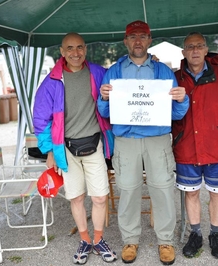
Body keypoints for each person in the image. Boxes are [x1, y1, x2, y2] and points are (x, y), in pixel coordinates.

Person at [97, 20, 189, 265]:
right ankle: (130, 240)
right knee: (127, 190)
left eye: (143, 36)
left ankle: (166, 240)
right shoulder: (114, 72)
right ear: (126, 41)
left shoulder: (163, 72)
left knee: (162, 190)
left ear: (150, 40)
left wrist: (181, 99)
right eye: (133, 37)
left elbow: (177, 114)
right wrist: (104, 98)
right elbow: (104, 112)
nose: (138, 41)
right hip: (126, 140)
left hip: (157, 139)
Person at [33, 32, 117, 265]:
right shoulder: (51, 81)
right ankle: (84, 239)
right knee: (77, 197)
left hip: (94, 144)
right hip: (66, 149)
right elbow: (41, 120)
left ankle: (98, 239)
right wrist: (49, 151)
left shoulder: (98, 73)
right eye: (70, 48)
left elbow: (121, 85)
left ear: (85, 49)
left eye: (79, 47)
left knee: (100, 197)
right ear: (62, 51)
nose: (75, 53)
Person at [171, 32, 218, 260]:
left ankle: (215, 234)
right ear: (183, 52)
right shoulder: (176, 78)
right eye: (190, 46)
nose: (195, 50)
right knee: (191, 194)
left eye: (199, 46)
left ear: (206, 48)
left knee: (217, 194)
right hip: (187, 148)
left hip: (216, 148)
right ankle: (196, 233)